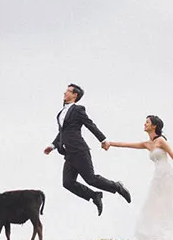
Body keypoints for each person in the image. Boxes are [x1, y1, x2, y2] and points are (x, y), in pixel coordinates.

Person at [44, 83, 132, 215]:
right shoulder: (61, 113)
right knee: (68, 183)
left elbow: (90, 124)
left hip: (79, 151)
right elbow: (62, 133)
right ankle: (94, 196)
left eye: (68, 91)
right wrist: (52, 145)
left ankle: (117, 186)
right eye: (65, 91)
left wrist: (103, 140)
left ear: (75, 95)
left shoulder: (78, 109)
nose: (65, 93)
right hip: (69, 154)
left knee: (91, 179)